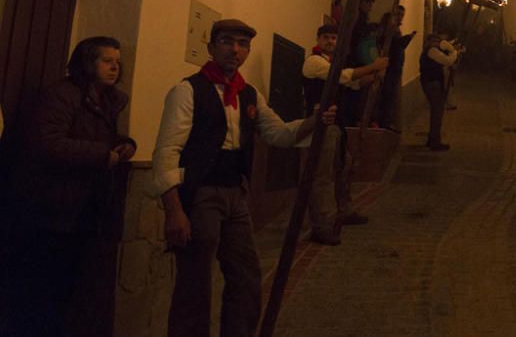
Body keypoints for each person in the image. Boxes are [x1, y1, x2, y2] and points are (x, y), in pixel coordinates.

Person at [151, 19, 336, 337]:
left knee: (246, 276)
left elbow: (278, 134)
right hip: (199, 194)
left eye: (242, 44)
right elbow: (166, 152)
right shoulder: (187, 91)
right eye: (227, 41)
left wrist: (313, 121)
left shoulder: (250, 94)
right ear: (211, 47)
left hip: (236, 194)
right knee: (194, 283)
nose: (235, 50)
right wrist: (174, 210)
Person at [3, 36, 136, 337]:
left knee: (70, 284)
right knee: (43, 286)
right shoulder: (63, 95)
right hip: (53, 206)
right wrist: (103, 155)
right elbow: (48, 142)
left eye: (117, 61)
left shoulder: (106, 99)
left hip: (84, 208)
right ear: (88, 62)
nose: (115, 67)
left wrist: (124, 145)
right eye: (107, 60)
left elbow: (95, 137)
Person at [302, 24, 387, 245]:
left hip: (336, 124)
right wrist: (372, 66)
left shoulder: (333, 63)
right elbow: (339, 77)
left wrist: (373, 75)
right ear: (318, 39)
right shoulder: (314, 62)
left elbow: (353, 83)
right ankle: (320, 225)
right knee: (321, 175)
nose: (330, 41)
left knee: (343, 166)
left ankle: (343, 209)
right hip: (321, 125)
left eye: (334, 37)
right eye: (326, 37)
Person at [378, 5, 416, 130]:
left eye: (402, 15)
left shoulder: (395, 30)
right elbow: (395, 46)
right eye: (398, 14)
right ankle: (385, 124)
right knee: (387, 97)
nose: (400, 18)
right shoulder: (389, 31)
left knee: (391, 97)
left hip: (395, 67)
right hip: (390, 68)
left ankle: (388, 122)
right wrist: (408, 38)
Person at [420, 33, 459, 151]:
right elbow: (447, 61)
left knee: (437, 111)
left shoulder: (432, 50)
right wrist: (455, 54)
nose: (439, 43)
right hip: (432, 83)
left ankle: (432, 138)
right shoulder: (432, 51)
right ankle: (435, 141)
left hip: (433, 82)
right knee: (437, 112)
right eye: (437, 41)